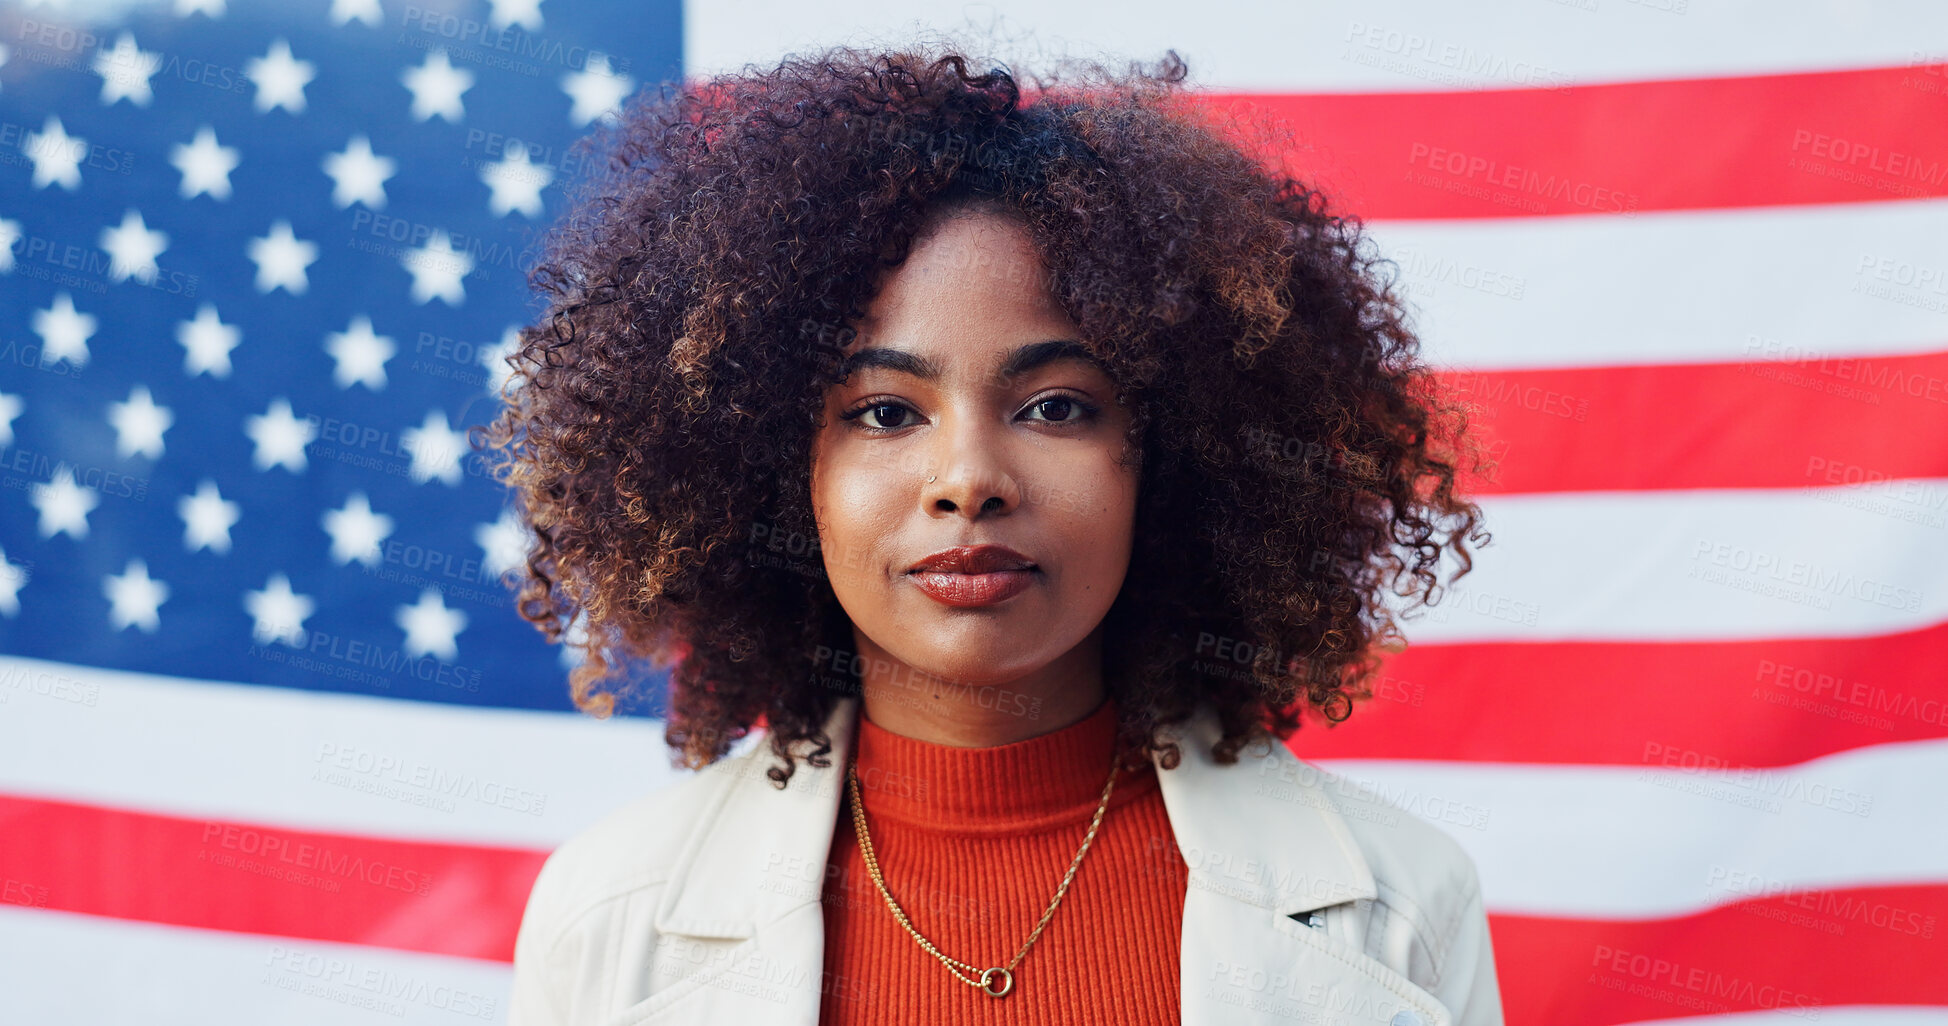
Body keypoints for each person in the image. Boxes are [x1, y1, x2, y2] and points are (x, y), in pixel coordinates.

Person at [482, 40, 1501, 1026]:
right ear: (775, 474)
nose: (968, 480)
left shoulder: (1400, 911)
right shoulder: (608, 914)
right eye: (884, 412)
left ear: (1177, 456)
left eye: (1057, 406)